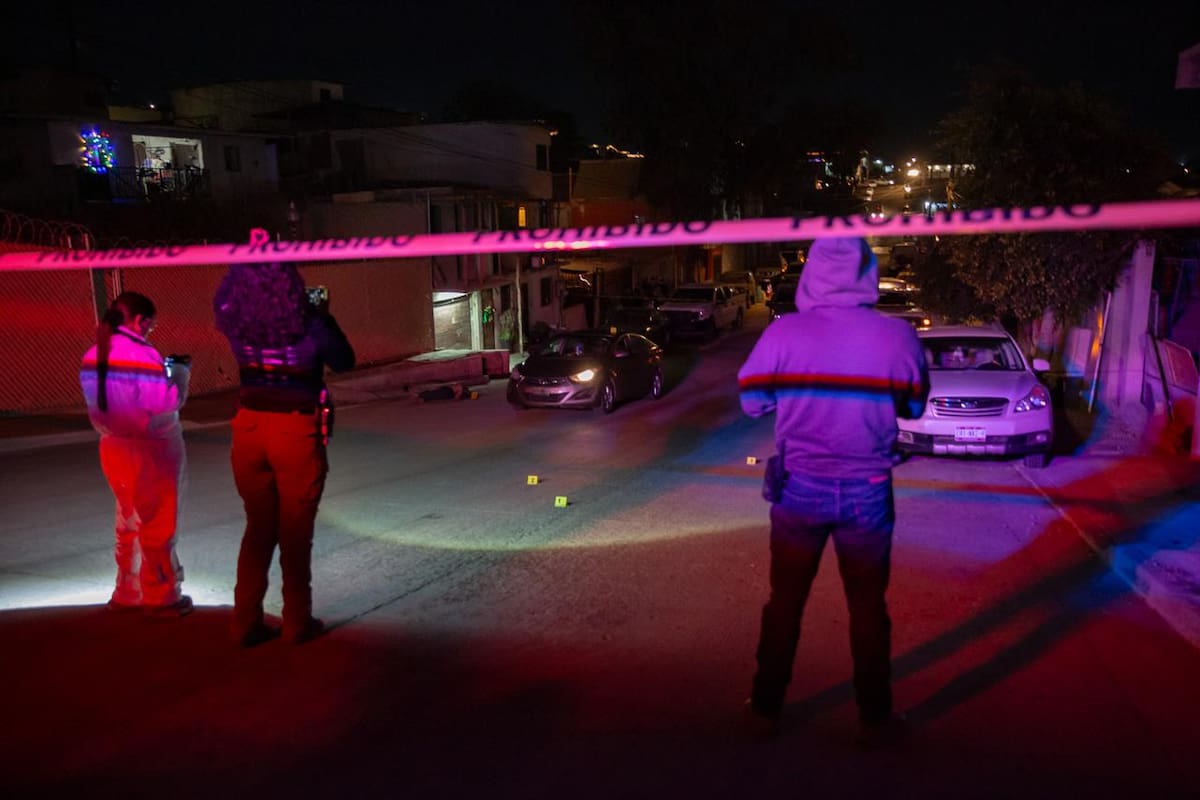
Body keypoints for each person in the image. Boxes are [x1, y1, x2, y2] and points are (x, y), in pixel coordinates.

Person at [737, 237, 929, 744]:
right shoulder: (898, 337)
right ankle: (874, 720)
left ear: (811, 273)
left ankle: (766, 710)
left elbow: (752, 402)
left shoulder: (786, 334)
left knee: (785, 604)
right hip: (868, 492)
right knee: (868, 607)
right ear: (868, 272)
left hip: (800, 489)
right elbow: (913, 408)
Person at [214, 263, 355, 647]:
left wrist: (244, 272)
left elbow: (222, 304)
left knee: (258, 529)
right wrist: (322, 316)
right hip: (293, 429)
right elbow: (344, 360)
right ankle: (296, 622)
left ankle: (244, 622)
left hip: (248, 428)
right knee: (294, 534)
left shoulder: (239, 326)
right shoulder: (308, 325)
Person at [80, 291, 193, 616]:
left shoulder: (93, 354)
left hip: (113, 448)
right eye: (150, 326)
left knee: (127, 521)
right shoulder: (141, 354)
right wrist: (180, 374)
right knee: (157, 522)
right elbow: (165, 401)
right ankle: (161, 595)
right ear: (141, 320)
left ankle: (127, 590)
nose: (149, 332)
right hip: (151, 448)